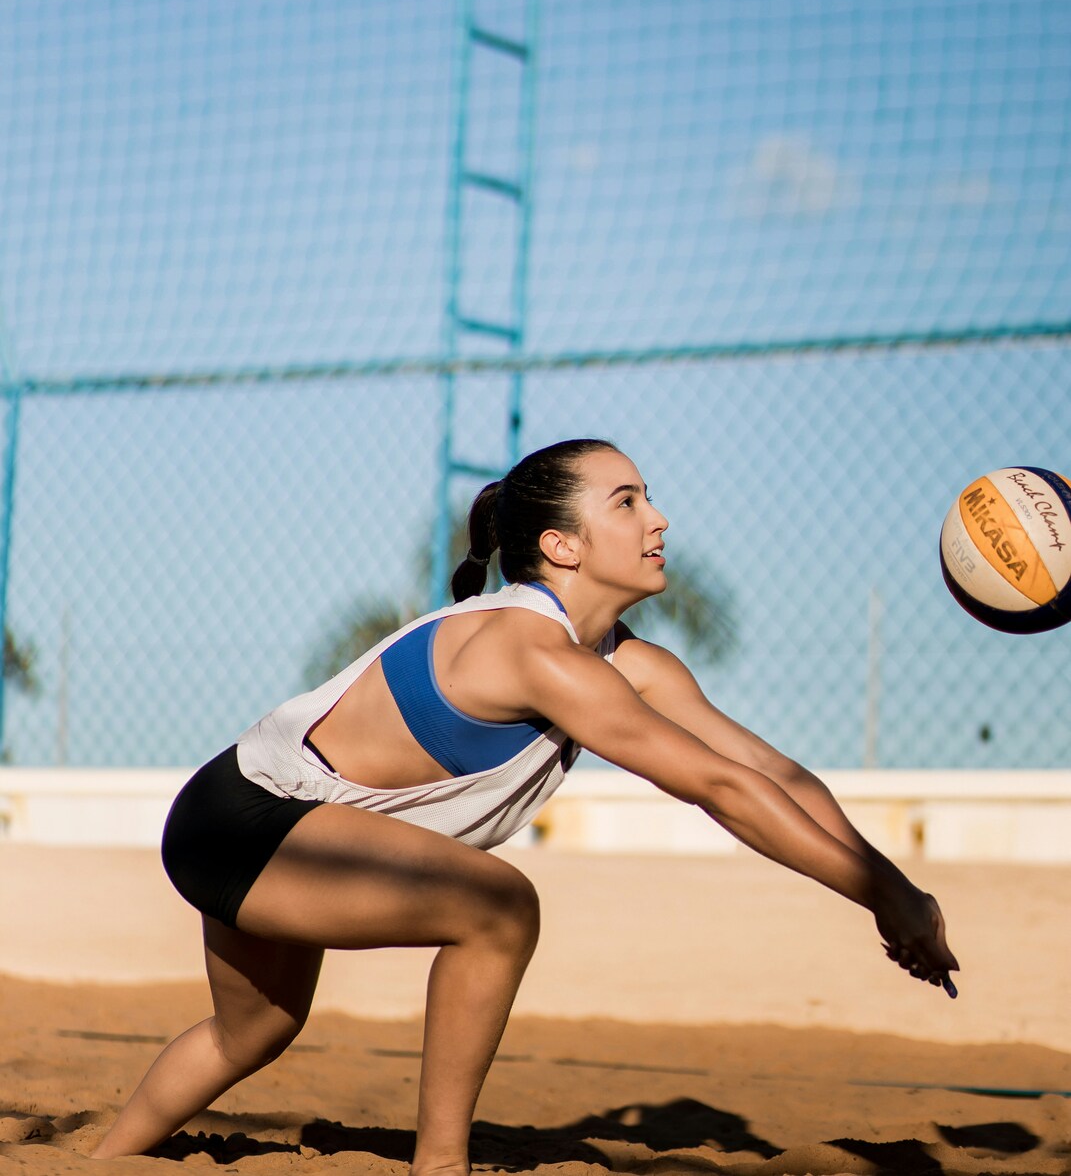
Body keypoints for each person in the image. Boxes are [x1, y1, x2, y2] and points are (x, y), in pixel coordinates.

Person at [92, 437, 958, 1173]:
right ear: (562, 545)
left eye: (649, 499)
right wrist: (884, 902)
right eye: (627, 502)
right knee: (498, 905)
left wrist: (896, 891)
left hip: (276, 821)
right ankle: (441, 1165)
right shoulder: (526, 647)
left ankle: (101, 1161)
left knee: (255, 1030)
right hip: (240, 819)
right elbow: (721, 792)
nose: (658, 520)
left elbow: (777, 777)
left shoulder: (632, 666)